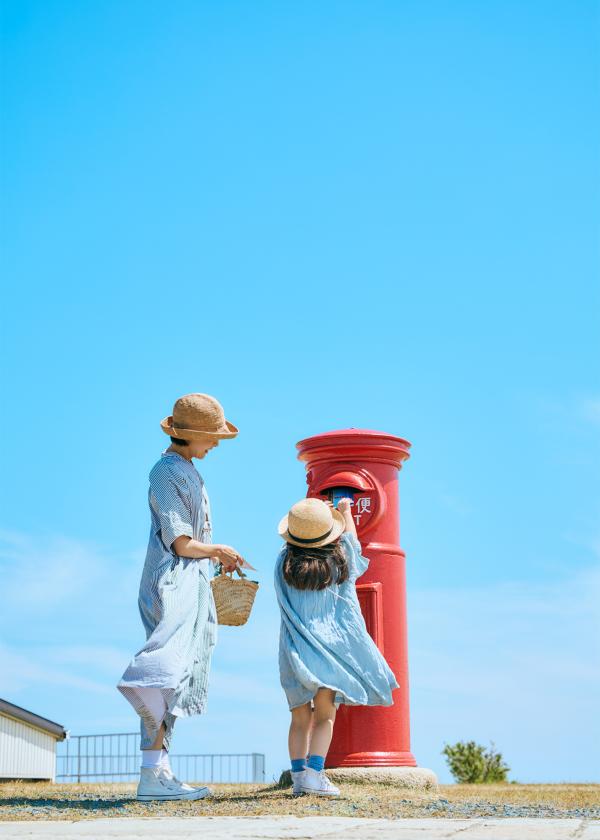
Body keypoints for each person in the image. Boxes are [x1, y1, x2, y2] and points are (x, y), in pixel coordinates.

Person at [117, 393, 245, 801]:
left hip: (190, 579)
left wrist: (215, 556)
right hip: (172, 581)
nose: (216, 443)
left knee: (179, 674)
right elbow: (181, 542)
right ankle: (151, 774)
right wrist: (217, 550)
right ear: (190, 435)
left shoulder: (186, 469)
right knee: (165, 671)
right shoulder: (165, 472)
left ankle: (159, 770)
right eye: (212, 436)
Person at [274, 496, 399, 797]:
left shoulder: (283, 563)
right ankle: (315, 774)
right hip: (328, 652)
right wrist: (345, 511)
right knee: (324, 717)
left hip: (294, 649)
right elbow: (353, 543)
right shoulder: (340, 558)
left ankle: (298, 777)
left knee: (298, 718)